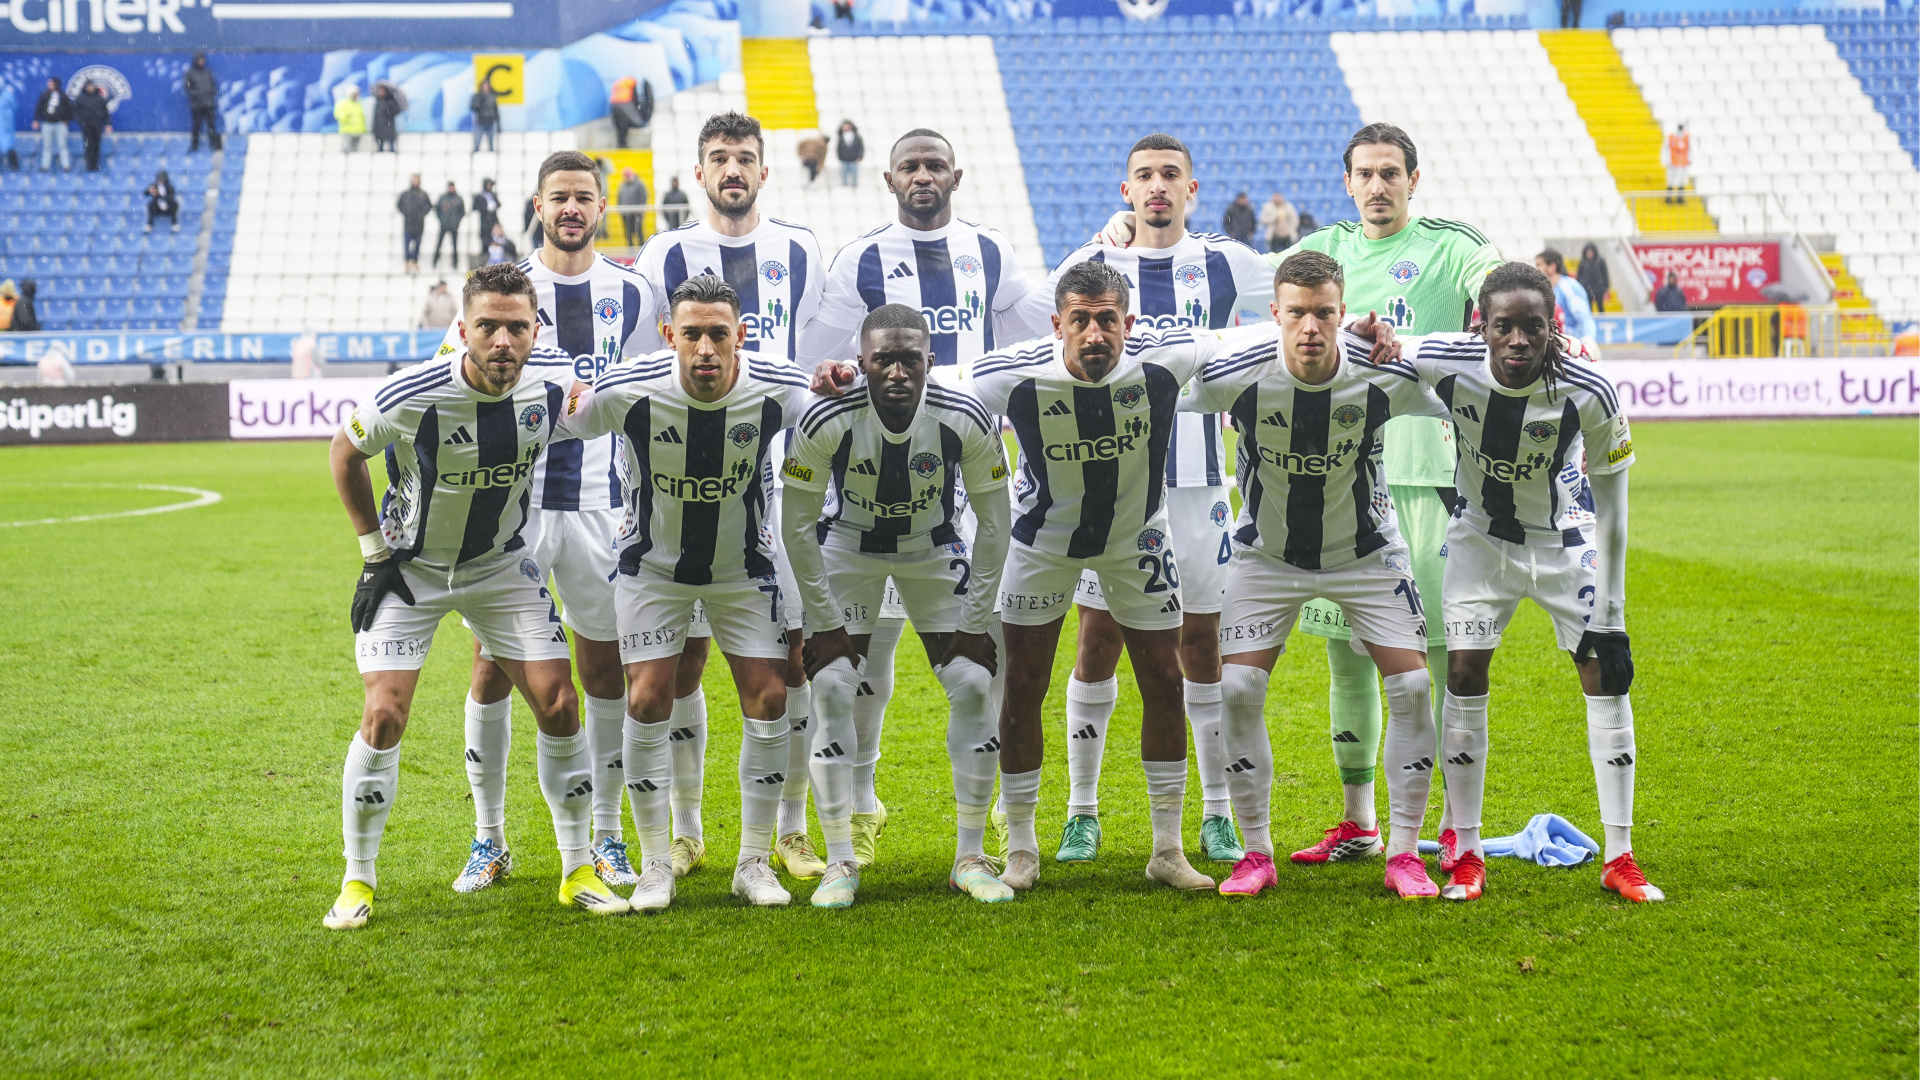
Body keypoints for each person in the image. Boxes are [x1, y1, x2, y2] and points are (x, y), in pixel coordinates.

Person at [321, 261, 630, 930]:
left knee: (557, 701)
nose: (501, 341)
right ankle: (357, 879)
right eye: (487, 326)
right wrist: (373, 553)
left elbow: (628, 410)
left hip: (501, 568)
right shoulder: (413, 393)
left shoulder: (554, 389)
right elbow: (343, 453)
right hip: (413, 570)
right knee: (384, 717)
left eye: (516, 327)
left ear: (534, 330)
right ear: (462, 329)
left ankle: (576, 867)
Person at [965, 263, 1272, 894]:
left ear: (1129, 324)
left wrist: (1357, 331)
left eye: (1108, 319)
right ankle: (1021, 846)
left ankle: (1166, 847)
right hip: (1042, 543)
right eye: (1080, 319)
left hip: (1137, 539)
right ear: (1058, 324)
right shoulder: (1011, 373)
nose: (1095, 333)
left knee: (1164, 679)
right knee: (1022, 683)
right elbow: (935, 385)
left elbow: (1251, 338)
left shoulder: (1165, 359)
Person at [796, 128, 1055, 871]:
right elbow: (817, 349)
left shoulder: (991, 251)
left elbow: (1041, 321)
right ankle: (865, 803)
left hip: (965, 471)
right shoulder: (863, 258)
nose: (921, 176)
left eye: (933, 165)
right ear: (888, 178)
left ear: (956, 174)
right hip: (877, 479)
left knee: (986, 654)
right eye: (909, 166)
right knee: (865, 662)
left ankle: (1002, 814)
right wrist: (830, 378)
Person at [1365, 261, 1660, 904]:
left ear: (1553, 328)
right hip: (1480, 542)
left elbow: (1615, 504)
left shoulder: (1591, 390)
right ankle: (1465, 853)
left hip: (1565, 544)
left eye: (1534, 327)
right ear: (1483, 327)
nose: (1519, 340)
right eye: (1505, 327)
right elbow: (1382, 345)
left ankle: (1620, 854)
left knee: (1605, 674)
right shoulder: (1447, 360)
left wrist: (1612, 615)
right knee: (1464, 676)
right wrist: (1373, 331)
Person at [1182, 250, 1445, 899]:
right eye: (1296, 313)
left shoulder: (1383, 376)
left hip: (1366, 554)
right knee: (1237, 690)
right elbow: (1158, 371)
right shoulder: (1239, 374)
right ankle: (1255, 852)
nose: (1310, 327)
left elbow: (1464, 390)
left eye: (1324, 313)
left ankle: (1405, 854)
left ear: (1342, 314)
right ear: (1275, 314)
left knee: (1411, 690)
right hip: (1267, 556)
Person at [1045, 132, 1277, 867]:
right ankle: (1082, 812)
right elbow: (1050, 321)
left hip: (1201, 485)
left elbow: (1293, 312)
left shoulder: (1226, 262)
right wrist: (1093, 238)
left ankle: (1214, 813)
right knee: (1097, 643)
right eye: (1143, 175)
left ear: (1192, 189)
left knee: (1201, 645)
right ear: (1125, 191)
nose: (1156, 186)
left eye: (1169, 175)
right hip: (1113, 488)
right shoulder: (1098, 266)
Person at [439, 149, 663, 900]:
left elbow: (644, 396)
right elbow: (454, 384)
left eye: (584, 198)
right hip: (516, 508)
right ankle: (489, 838)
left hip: (603, 506)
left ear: (603, 208)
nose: (571, 208)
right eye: (558, 196)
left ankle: (605, 834)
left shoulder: (631, 293)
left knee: (603, 669)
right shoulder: (500, 294)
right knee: (490, 666)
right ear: (537, 206)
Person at [560, 274, 823, 912]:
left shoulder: (778, 387)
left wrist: (834, 374)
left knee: (768, 696)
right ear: (668, 335)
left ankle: (753, 863)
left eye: (719, 335)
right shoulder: (629, 390)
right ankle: (655, 867)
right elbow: (565, 425)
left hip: (743, 568)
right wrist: (561, 391)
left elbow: (825, 399)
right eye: (692, 334)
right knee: (648, 699)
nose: (706, 348)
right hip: (652, 570)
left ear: (740, 338)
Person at [633, 111, 826, 880]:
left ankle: (792, 828)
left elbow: (819, 350)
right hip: (686, 478)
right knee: (682, 661)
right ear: (699, 172)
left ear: (764, 170)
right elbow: (646, 346)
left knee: (793, 662)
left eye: (744, 157)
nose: (732, 169)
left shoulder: (802, 248)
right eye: (719, 158)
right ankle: (685, 830)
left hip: (781, 486)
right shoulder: (665, 251)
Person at [782, 304, 1016, 907]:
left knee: (972, 682)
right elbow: (797, 526)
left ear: (930, 362)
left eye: (909, 358)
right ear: (861, 363)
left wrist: (975, 620)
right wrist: (825, 623)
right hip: (849, 551)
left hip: (932, 549)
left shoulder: (965, 415)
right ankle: (840, 862)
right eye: (882, 359)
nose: (896, 371)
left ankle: (969, 856)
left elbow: (994, 525)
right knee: (832, 686)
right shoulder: (826, 415)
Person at [1537, 248, 1597, 357]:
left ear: (1552, 267)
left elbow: (1584, 318)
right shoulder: (1542, 291)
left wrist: (1588, 340)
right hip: (1556, 349)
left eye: (1539, 264)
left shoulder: (1569, 287)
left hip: (1574, 351)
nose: (1536, 269)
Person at [32, 77, 72, 173]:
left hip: (60, 124)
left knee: (62, 145)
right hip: (47, 123)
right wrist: (36, 119)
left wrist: (66, 120)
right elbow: (39, 107)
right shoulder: (44, 95)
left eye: (51, 83)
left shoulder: (63, 95)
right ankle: (45, 165)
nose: (49, 85)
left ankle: (66, 165)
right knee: (46, 145)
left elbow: (69, 109)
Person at [185, 54, 221, 152]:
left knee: (211, 125)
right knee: (196, 126)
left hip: (208, 104)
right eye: (200, 60)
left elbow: (213, 86)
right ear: (196, 60)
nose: (202, 62)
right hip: (197, 105)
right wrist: (197, 94)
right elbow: (187, 88)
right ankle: (194, 145)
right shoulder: (190, 73)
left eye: (203, 60)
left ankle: (214, 144)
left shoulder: (207, 72)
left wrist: (210, 94)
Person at [396, 174, 432, 273]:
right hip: (408, 223)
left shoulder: (423, 194)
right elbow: (399, 205)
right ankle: (407, 261)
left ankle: (415, 261)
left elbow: (429, 206)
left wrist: (422, 214)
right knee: (407, 243)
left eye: (417, 180)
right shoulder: (406, 194)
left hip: (419, 224)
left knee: (417, 244)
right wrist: (406, 213)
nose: (415, 182)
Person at [72, 82, 110, 173]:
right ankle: (89, 166)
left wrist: (107, 124)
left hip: (97, 125)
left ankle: (95, 165)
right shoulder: (81, 98)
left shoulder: (99, 98)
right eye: (89, 86)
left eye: (92, 86)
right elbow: (74, 111)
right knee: (88, 146)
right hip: (86, 126)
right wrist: (81, 121)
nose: (90, 88)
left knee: (96, 147)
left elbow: (105, 113)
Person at [432, 181, 465, 269]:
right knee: (439, 244)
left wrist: (456, 222)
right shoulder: (443, 198)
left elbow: (462, 212)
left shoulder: (458, 199)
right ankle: (435, 260)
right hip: (444, 225)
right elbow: (437, 210)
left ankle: (455, 262)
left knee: (454, 245)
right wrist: (442, 220)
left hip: (454, 226)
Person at [609, 77, 644, 149]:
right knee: (624, 125)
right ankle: (623, 144)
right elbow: (635, 96)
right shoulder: (632, 82)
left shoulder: (620, 83)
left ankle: (620, 143)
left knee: (619, 125)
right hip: (624, 104)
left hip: (614, 104)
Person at [616, 167, 648, 246]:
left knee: (638, 230)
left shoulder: (639, 184)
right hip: (626, 213)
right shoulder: (622, 185)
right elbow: (619, 197)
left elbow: (643, 197)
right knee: (628, 231)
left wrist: (640, 209)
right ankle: (630, 248)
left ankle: (641, 246)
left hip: (637, 213)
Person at [1576, 241, 1609, 310]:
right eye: (1588, 252)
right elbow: (1579, 276)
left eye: (1591, 252)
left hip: (1598, 288)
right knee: (1588, 307)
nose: (1590, 254)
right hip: (1586, 288)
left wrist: (1606, 287)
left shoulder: (1600, 261)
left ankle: (1602, 319)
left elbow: (1605, 274)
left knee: (1600, 306)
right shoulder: (1583, 262)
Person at [470, 79, 499, 154]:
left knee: (491, 143)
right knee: (477, 142)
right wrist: (478, 103)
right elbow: (473, 107)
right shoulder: (477, 96)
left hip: (490, 122)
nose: (485, 88)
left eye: (487, 86)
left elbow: (495, 110)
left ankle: (492, 157)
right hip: (480, 122)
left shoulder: (492, 97)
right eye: (484, 86)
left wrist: (497, 122)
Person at [1663, 123, 1690, 204]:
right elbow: (1665, 149)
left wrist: (1689, 159)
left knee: (1681, 181)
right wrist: (1666, 160)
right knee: (1671, 181)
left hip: (1682, 163)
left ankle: (1680, 198)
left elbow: (1689, 150)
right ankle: (1668, 198)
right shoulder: (1671, 138)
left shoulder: (1686, 138)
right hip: (1673, 163)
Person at [334, 87, 366, 154]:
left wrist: (363, 128)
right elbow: (338, 114)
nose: (356, 96)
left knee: (355, 150)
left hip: (358, 130)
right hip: (347, 130)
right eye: (354, 94)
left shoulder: (358, 104)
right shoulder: (343, 103)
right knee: (346, 149)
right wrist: (345, 116)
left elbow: (361, 117)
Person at [473, 178, 501, 253]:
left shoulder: (493, 195)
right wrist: (485, 208)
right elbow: (475, 207)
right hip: (485, 222)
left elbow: (499, 204)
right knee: (485, 241)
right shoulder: (480, 196)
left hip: (493, 221)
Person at [371, 83, 401, 153]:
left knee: (390, 141)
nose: (381, 92)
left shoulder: (391, 100)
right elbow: (375, 115)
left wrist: (389, 111)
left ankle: (392, 150)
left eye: (382, 90)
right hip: (380, 125)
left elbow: (396, 110)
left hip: (389, 124)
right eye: (380, 90)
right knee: (380, 143)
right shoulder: (378, 101)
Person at [836, 120, 864, 188]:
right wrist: (840, 157)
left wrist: (860, 157)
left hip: (854, 159)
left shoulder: (857, 137)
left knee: (854, 177)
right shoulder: (841, 137)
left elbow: (861, 148)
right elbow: (838, 148)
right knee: (844, 176)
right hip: (844, 159)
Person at [0, 81, 16, 172]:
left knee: (10, 147)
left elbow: (14, 107)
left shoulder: (7, 95)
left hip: (6, 126)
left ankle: (14, 168)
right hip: (5, 125)